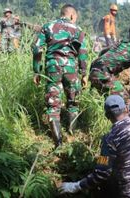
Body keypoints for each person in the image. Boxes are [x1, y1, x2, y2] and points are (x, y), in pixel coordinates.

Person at [59, 95, 130, 197]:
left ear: (107, 116)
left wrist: (77, 186)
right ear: (126, 109)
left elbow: (102, 172)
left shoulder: (109, 140)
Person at [32, 4, 88, 147]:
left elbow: (37, 48)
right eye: (75, 18)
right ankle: (71, 136)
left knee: (53, 104)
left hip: (52, 67)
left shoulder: (48, 26)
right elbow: (83, 53)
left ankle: (58, 143)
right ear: (71, 15)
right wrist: (84, 74)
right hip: (71, 68)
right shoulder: (78, 29)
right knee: (73, 101)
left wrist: (37, 70)